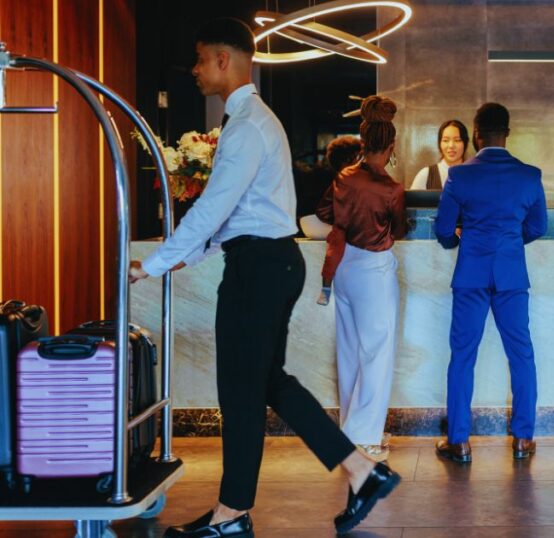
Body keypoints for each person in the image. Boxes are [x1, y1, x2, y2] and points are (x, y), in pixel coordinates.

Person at [127, 18, 399, 537]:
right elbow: (234, 215)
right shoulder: (252, 121)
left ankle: (234, 514)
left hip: (258, 268)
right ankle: (360, 472)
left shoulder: (248, 125)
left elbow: (214, 207)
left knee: (241, 388)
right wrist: (194, 253)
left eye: (201, 59)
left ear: (224, 60)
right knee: (265, 382)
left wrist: (156, 262)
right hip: (268, 262)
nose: (195, 69)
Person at [433, 103, 548, 464]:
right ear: (508, 134)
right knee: (522, 355)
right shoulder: (530, 176)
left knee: (463, 356)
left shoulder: (460, 176)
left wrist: (460, 240)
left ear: (476, 134)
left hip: (471, 275)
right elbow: (538, 227)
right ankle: (523, 439)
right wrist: (511, 242)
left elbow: (442, 230)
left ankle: (460, 442)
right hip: (512, 275)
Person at [327, 95, 408, 462]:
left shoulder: (344, 177)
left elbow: (323, 210)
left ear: (362, 143)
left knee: (348, 350)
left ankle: (351, 426)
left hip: (344, 267)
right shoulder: (391, 188)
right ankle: (366, 437)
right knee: (377, 352)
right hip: (374, 270)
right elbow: (401, 229)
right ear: (391, 146)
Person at [313, 135, 362, 306]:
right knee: (333, 254)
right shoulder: (343, 182)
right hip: (345, 231)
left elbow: (322, 211)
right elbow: (322, 211)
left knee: (332, 256)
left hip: (347, 231)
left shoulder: (345, 181)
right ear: (348, 161)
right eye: (358, 157)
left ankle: (326, 288)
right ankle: (326, 289)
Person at [409, 119, 469, 189]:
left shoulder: (473, 175)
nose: (451, 145)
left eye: (457, 140)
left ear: (465, 143)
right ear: (439, 144)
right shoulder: (426, 175)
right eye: (446, 140)